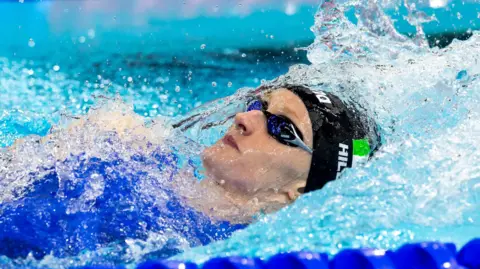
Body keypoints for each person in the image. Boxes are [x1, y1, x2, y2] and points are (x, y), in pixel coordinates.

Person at [0, 83, 379, 261]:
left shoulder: (204, 250)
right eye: (255, 105)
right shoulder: (146, 161)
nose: (244, 118)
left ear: (295, 191)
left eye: (281, 128)